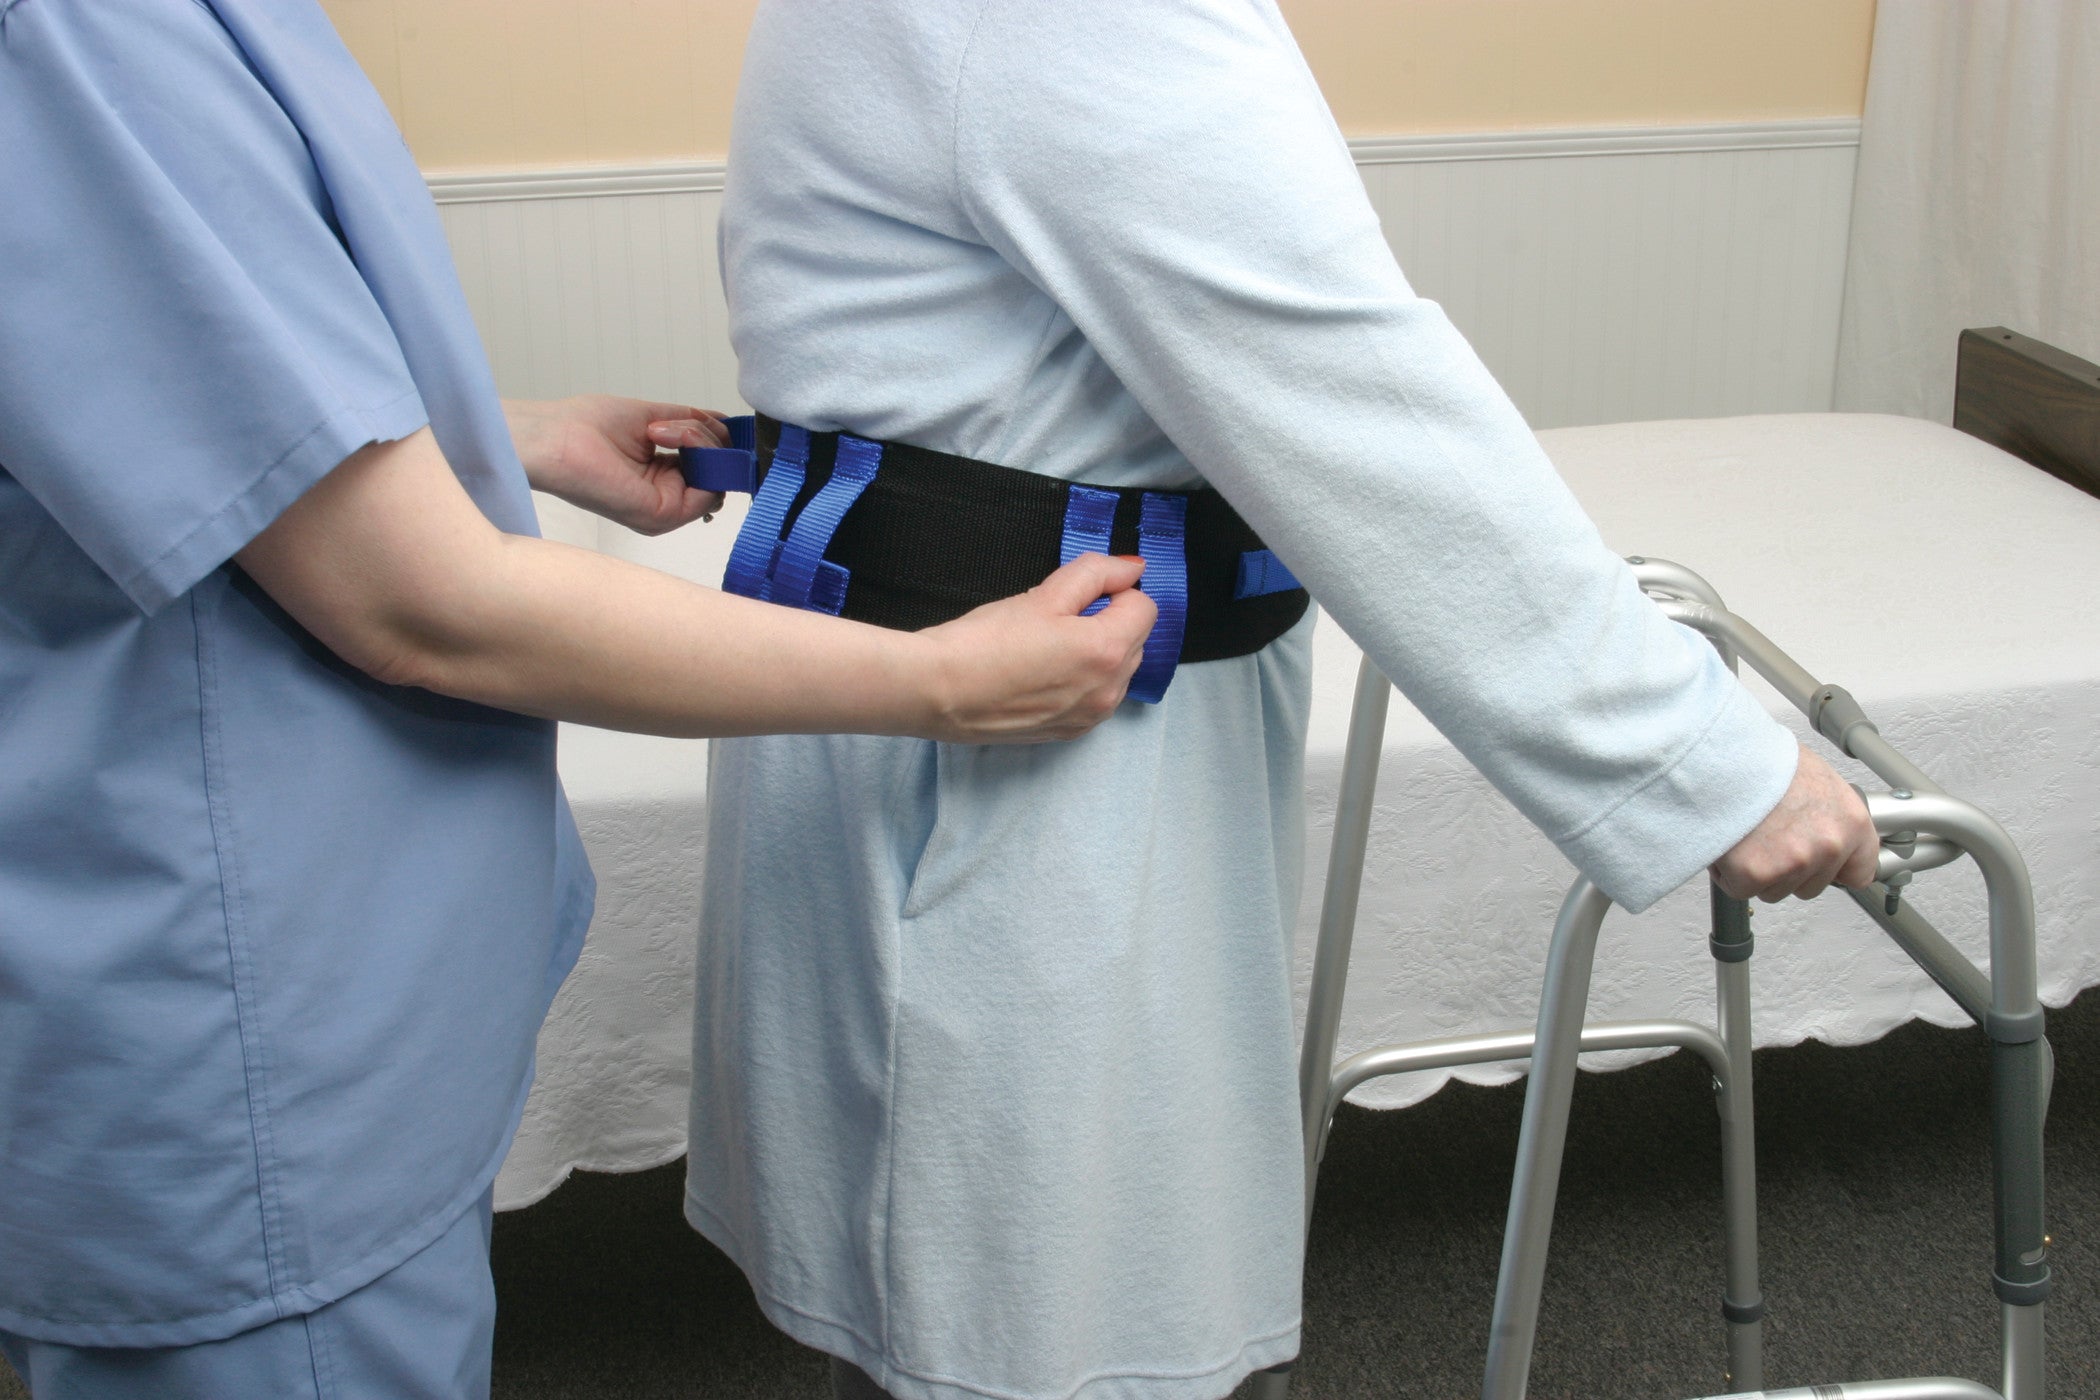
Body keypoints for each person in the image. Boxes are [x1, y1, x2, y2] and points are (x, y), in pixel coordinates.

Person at [684, 4, 1883, 1400]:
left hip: (985, 716)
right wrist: (1704, 763)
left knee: (996, 1286)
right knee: (1028, 1314)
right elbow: (1347, 391)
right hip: (1014, 762)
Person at [0, 3, 1157, 1397]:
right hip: (238, 1040)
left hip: (298, 996)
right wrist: (946, 682)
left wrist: (505, 434)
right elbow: (417, 601)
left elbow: (174, 374)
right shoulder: (77, 39)